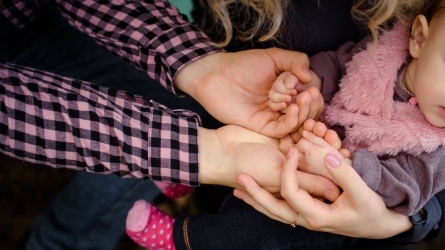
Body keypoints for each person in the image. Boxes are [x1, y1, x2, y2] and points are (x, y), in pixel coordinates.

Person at [0, 0, 325, 249]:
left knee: (186, 107)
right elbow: (14, 108)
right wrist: (206, 153)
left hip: (25, 15)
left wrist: (201, 66)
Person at [124, 0, 445, 249]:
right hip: (301, 135)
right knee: (247, 136)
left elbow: (406, 187)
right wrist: (308, 85)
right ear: (418, 38)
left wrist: (344, 166)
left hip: (335, 203)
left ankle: (182, 238)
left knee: (254, 227)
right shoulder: (384, 52)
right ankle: (188, 174)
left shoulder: (436, 145)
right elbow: (339, 61)